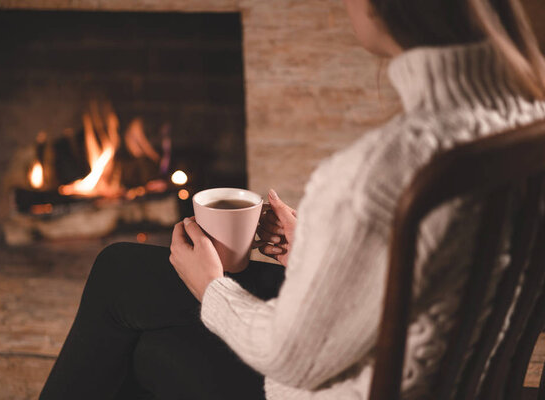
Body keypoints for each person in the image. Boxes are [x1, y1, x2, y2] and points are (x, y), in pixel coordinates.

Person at [40, 0, 545, 398]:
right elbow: (438, 270)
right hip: (461, 381)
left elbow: (290, 358)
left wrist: (212, 288)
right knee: (144, 342)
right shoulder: (529, 118)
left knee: (121, 286)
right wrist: (315, 247)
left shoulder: (375, 171)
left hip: (341, 387)